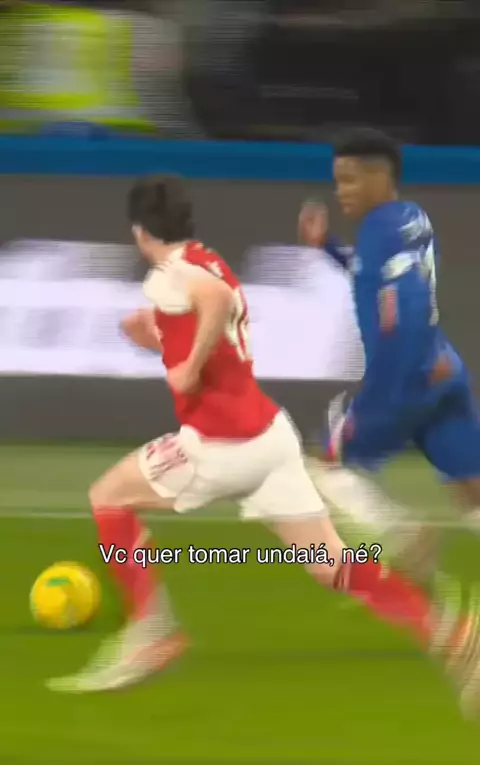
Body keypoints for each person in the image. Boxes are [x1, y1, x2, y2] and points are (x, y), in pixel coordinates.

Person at [48, 174, 479, 711]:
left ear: (140, 232)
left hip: (218, 448)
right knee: (334, 566)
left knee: (108, 498)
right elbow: (213, 311)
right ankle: (451, 630)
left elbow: (212, 303)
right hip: (270, 441)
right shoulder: (206, 259)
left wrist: (186, 367)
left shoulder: (169, 276)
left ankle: (151, 631)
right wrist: (160, 338)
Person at [299, 128, 480, 714]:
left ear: (381, 175)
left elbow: (398, 311)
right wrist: (328, 248)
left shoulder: (379, 229)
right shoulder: (410, 219)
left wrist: (380, 394)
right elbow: (374, 273)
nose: (342, 190)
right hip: (445, 369)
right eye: (338, 180)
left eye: (351, 179)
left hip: (403, 380)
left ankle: (403, 534)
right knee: (472, 493)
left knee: (323, 466)